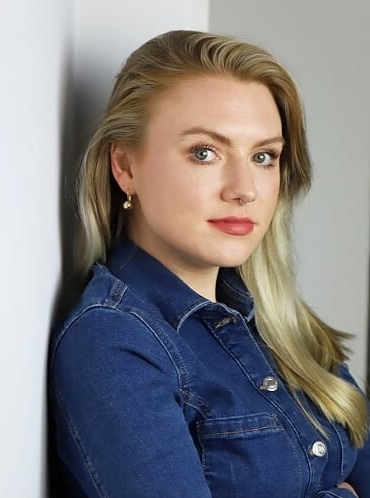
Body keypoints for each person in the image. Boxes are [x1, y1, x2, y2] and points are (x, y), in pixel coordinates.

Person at [49, 30, 370, 498]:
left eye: (264, 156)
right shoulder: (113, 342)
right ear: (125, 166)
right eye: (205, 152)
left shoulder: (281, 325)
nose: (244, 188)